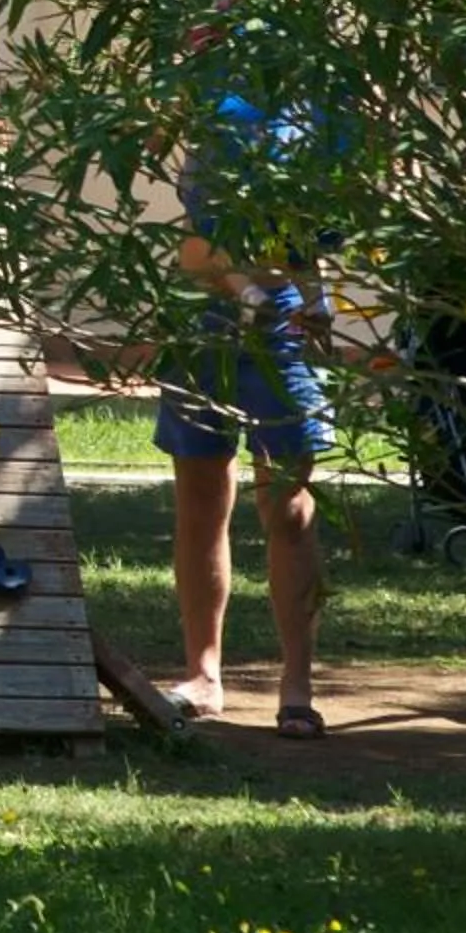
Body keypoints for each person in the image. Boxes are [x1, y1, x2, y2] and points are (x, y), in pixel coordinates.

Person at [157, 94, 333, 739]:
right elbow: (195, 247)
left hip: (282, 330)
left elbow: (314, 235)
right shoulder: (213, 102)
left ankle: (298, 685)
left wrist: (317, 300)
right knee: (201, 499)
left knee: (288, 505)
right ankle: (203, 675)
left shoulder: (319, 107)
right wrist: (242, 289)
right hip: (203, 326)